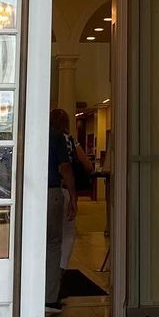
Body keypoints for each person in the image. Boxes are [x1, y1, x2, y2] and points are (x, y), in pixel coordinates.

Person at [51, 108, 93, 277]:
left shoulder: (45, 138)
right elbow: (88, 166)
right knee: (67, 233)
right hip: (65, 189)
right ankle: (60, 270)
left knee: (50, 234)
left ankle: (48, 272)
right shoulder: (70, 141)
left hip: (49, 190)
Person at [46, 111, 77, 315]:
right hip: (52, 192)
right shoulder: (57, 137)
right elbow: (65, 167)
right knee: (53, 244)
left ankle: (26, 291)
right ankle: (49, 297)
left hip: (28, 194)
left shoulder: (29, 132)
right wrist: (73, 197)